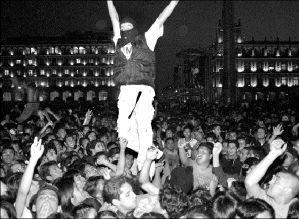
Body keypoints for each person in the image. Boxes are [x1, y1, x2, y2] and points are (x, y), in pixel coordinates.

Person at [107, 0, 179, 170]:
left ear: (134, 27)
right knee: (123, 128)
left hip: (144, 88)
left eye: (127, 27)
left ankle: (146, 163)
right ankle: (144, 153)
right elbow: (114, 18)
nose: (124, 30)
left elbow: (162, 17)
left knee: (144, 124)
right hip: (125, 89)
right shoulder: (119, 41)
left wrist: (174, 2)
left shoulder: (147, 38)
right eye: (122, 28)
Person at [245, 139, 299, 218]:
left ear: (288, 190)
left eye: (276, 180)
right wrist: (273, 154)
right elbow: (250, 182)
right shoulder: (264, 200)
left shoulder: (294, 212)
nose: (270, 182)